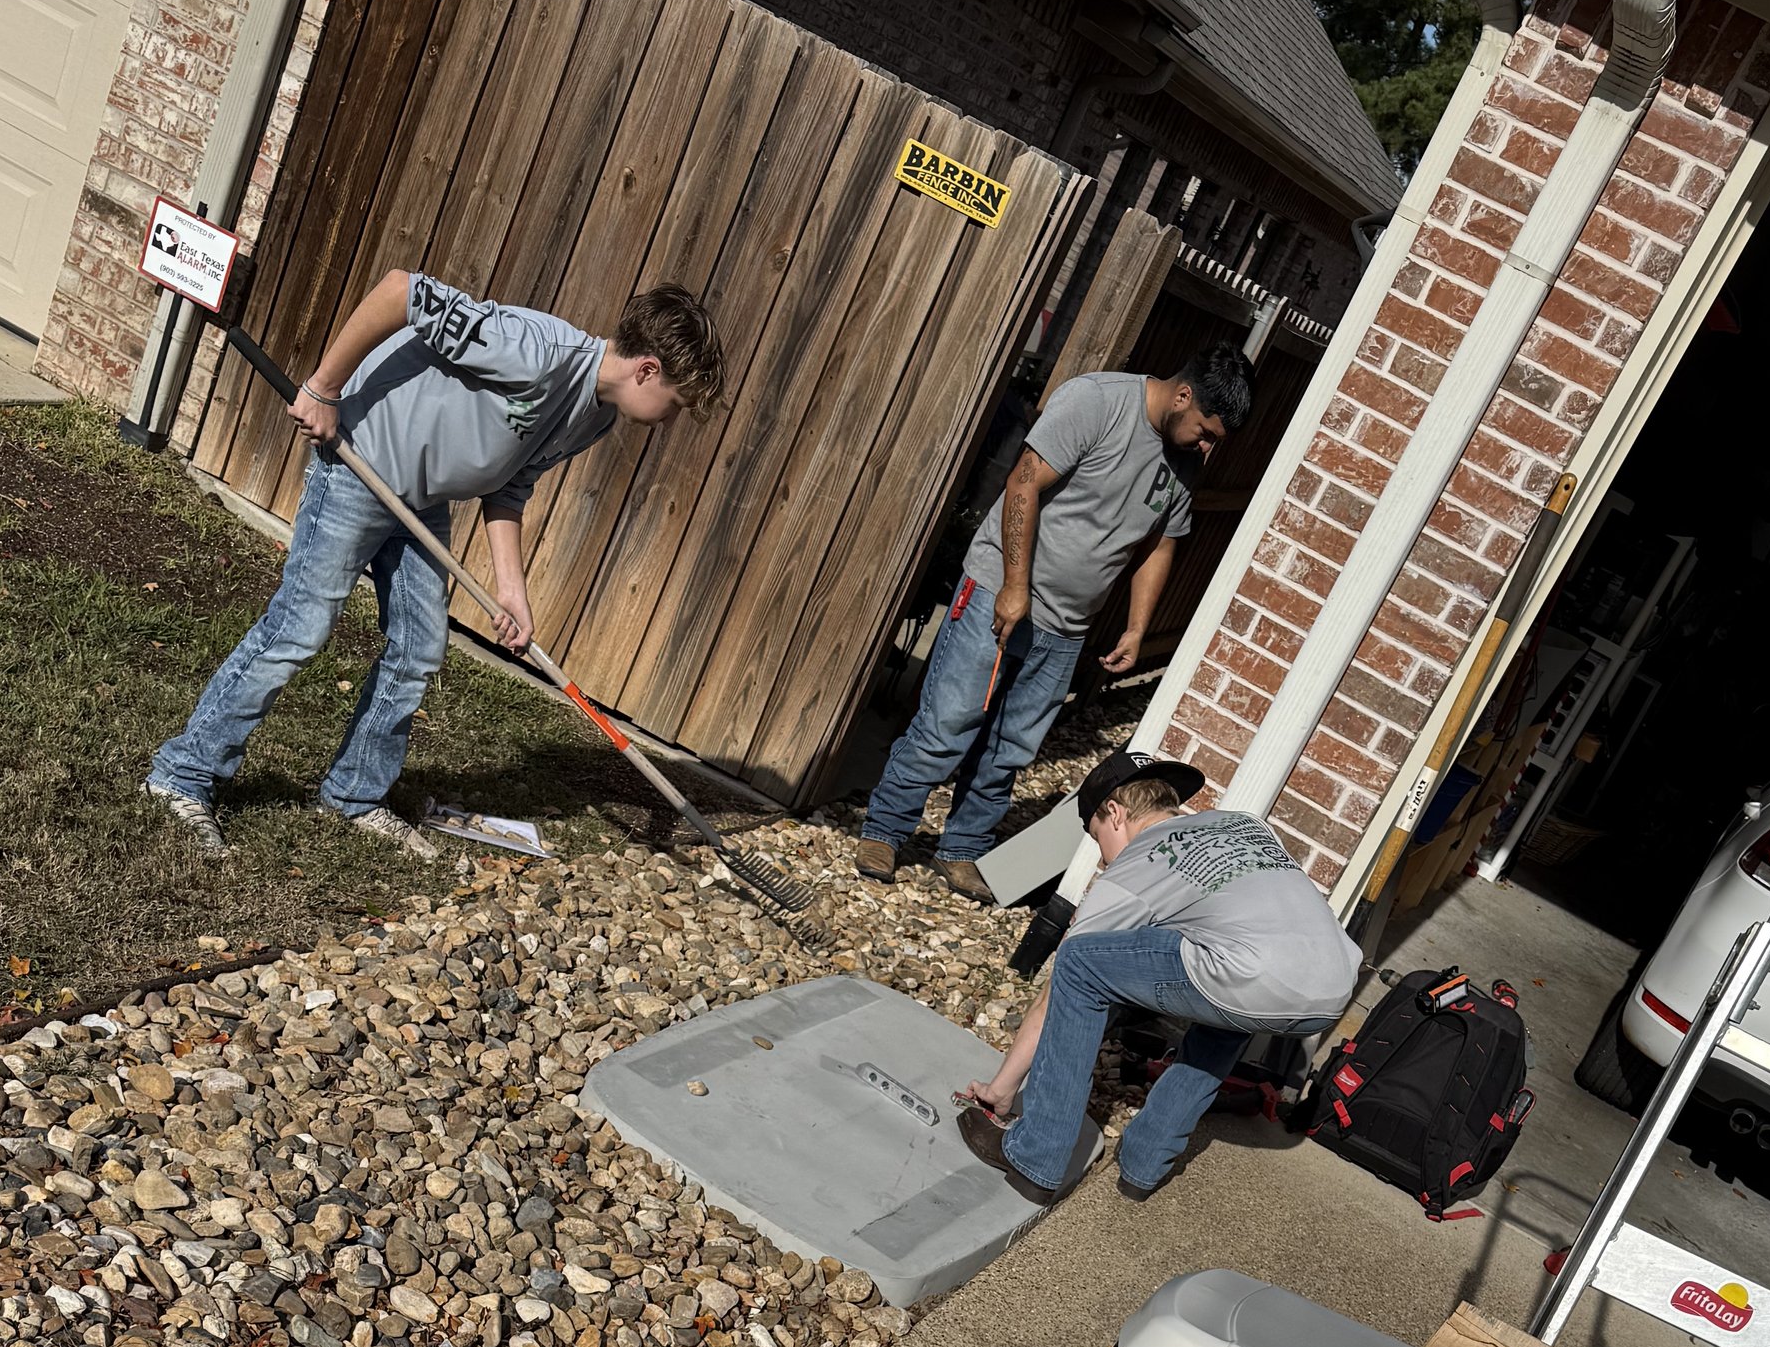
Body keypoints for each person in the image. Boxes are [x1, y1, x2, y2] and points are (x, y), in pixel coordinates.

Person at [145, 271, 724, 860]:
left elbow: (511, 487)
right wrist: (323, 388)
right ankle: (183, 774)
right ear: (647, 369)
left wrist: (511, 591)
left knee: (419, 647)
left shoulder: (594, 415)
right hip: (359, 464)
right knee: (300, 628)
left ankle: (353, 796)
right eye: (676, 404)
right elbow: (401, 291)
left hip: (419, 502)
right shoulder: (534, 349)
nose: (671, 418)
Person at [858, 345, 1253, 903]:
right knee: (948, 725)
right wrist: (1014, 586)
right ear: (1183, 396)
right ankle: (885, 830)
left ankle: (962, 848)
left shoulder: (1186, 464)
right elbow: (1023, 483)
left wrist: (1137, 628)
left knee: (1010, 749)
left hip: (1069, 628)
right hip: (1001, 596)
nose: (1207, 446)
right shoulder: (1096, 402)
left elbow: (1158, 547)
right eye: (1205, 431)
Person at [954, 751, 1360, 1202]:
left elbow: (1059, 990)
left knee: (1078, 964)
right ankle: (1144, 1165)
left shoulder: (1139, 861)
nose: (1104, 860)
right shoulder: (1241, 825)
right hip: (1334, 986)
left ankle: (1036, 1157)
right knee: (1228, 1008)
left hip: (1252, 973)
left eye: (1097, 839)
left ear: (1115, 812)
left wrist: (1002, 1088)